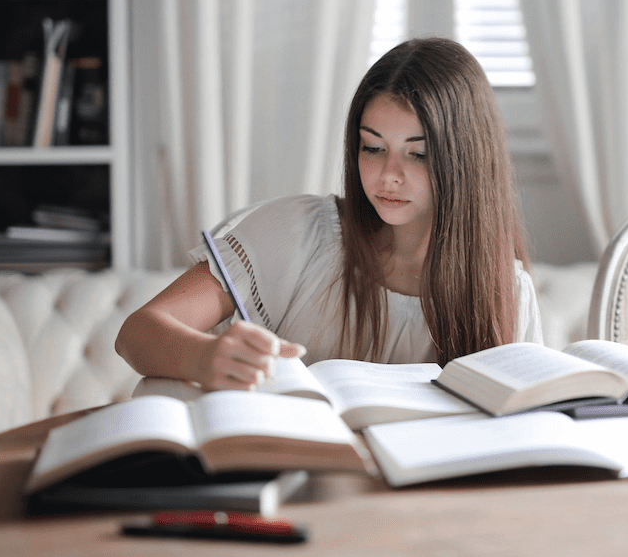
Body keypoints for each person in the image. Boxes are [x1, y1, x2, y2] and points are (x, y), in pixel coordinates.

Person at [115, 37, 542, 391]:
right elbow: (137, 333)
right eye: (372, 148)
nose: (388, 176)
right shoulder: (300, 233)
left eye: (419, 155)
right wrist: (205, 357)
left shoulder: (505, 292)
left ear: (465, 160)